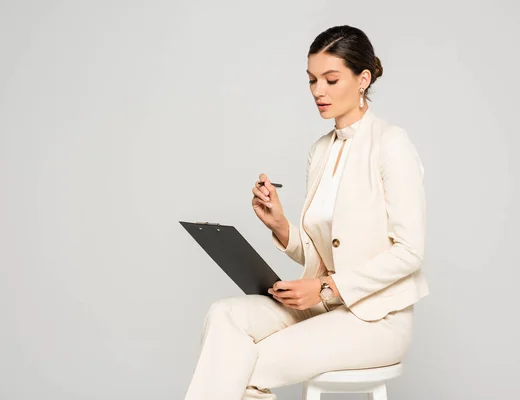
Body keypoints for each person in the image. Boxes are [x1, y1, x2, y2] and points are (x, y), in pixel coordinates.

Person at [183, 25, 429, 400]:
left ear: (363, 79)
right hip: (325, 304)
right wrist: (281, 226)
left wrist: (326, 287)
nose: (318, 91)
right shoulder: (321, 151)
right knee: (224, 314)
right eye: (312, 80)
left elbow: (410, 252)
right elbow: (325, 252)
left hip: (376, 320)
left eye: (331, 79)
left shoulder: (391, 144)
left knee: (242, 366)